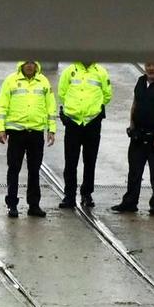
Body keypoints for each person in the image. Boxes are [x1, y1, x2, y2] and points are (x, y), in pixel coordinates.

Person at [113, 61, 154, 215]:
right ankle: (130, 202)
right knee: (134, 172)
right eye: (148, 65)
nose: (151, 69)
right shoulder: (140, 82)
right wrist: (131, 124)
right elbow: (135, 103)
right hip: (138, 136)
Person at [0, 60, 57, 218]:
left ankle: (34, 204)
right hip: (16, 132)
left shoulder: (43, 81)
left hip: (36, 132)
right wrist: (0, 128)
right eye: (27, 63)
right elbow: (2, 106)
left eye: (32, 63)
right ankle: (12, 204)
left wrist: (52, 129)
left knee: (34, 170)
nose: (30, 66)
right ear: (21, 65)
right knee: (14, 169)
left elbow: (51, 106)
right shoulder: (11, 81)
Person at [55, 60, 113, 210]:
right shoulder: (69, 71)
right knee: (70, 161)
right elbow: (62, 92)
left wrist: (93, 110)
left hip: (92, 122)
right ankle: (69, 195)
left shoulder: (101, 72)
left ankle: (87, 193)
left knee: (90, 160)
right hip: (73, 122)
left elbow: (107, 95)